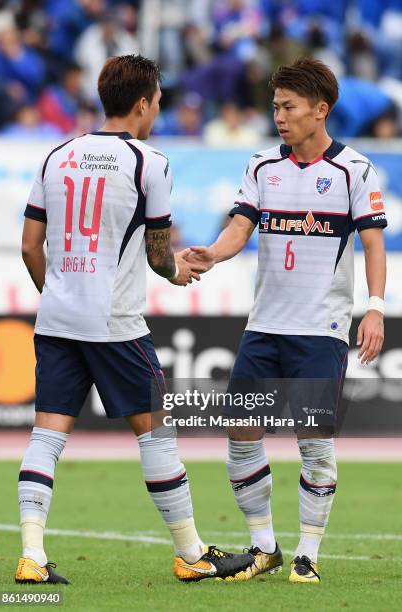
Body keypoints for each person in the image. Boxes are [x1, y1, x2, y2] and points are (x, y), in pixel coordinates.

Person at [16, 54, 253, 585]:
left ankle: (31, 556)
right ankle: (192, 554)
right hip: (115, 321)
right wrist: (176, 273)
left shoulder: (57, 154)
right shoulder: (150, 162)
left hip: (57, 319)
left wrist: (57, 293)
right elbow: (157, 252)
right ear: (143, 102)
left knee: (47, 432)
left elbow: (31, 246)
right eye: (159, 101)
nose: (158, 110)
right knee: (157, 434)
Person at [187, 58, 387, 584]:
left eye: (288, 107)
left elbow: (373, 244)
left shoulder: (354, 170)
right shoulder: (261, 166)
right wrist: (214, 253)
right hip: (264, 327)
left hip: (319, 330)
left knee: (314, 441)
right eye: (275, 106)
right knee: (241, 430)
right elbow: (239, 227)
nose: (278, 116)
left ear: (320, 111)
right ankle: (263, 548)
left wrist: (375, 308)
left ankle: (307, 553)